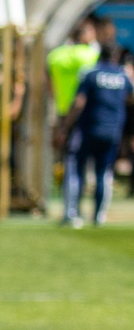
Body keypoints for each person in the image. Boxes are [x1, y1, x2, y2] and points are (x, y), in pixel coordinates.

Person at [60, 40, 129, 229]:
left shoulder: (91, 74)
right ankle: (99, 215)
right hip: (112, 131)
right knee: (103, 172)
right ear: (115, 56)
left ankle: (72, 214)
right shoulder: (123, 76)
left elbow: (79, 102)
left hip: (88, 129)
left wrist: (66, 125)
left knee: (76, 168)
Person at [47, 17, 102, 184]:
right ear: (84, 36)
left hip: (62, 108)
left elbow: (47, 82)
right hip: (85, 112)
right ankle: (80, 184)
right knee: (84, 153)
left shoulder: (55, 56)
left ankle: (63, 183)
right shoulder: (90, 55)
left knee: (65, 151)